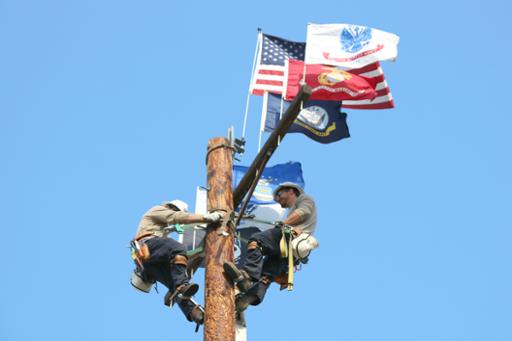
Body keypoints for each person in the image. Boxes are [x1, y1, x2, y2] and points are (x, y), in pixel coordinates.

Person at [224, 182, 317, 312]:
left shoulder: (304, 199)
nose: (279, 201)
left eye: (279, 195)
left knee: (256, 240)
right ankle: (251, 297)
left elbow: (304, 212)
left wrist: (283, 223)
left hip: (291, 238)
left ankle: (248, 276)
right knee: (266, 275)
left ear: (291, 191)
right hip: (294, 252)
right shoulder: (291, 210)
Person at [130, 200, 223, 325]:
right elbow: (177, 217)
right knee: (178, 250)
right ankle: (181, 286)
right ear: (170, 207)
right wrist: (206, 218)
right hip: (148, 246)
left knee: (175, 286)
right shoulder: (157, 209)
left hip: (146, 263)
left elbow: (174, 226)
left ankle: (194, 313)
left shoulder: (160, 228)